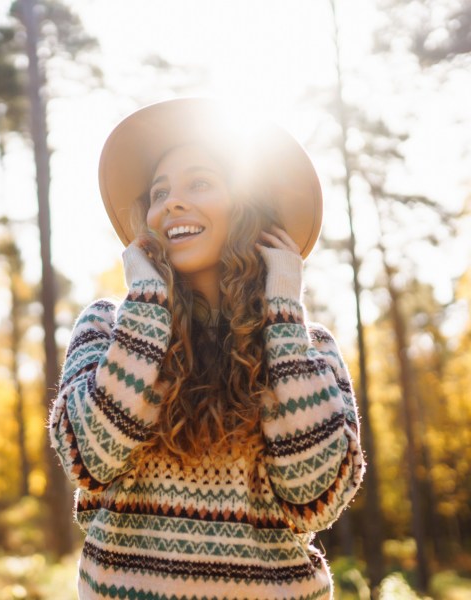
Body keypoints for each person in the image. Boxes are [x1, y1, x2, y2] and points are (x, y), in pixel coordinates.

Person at [47, 97, 366, 600]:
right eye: (159, 192)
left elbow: (317, 495)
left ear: (248, 209)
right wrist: (149, 308)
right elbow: (90, 460)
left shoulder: (309, 348)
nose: (172, 202)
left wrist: (281, 313)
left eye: (200, 183)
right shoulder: (107, 325)